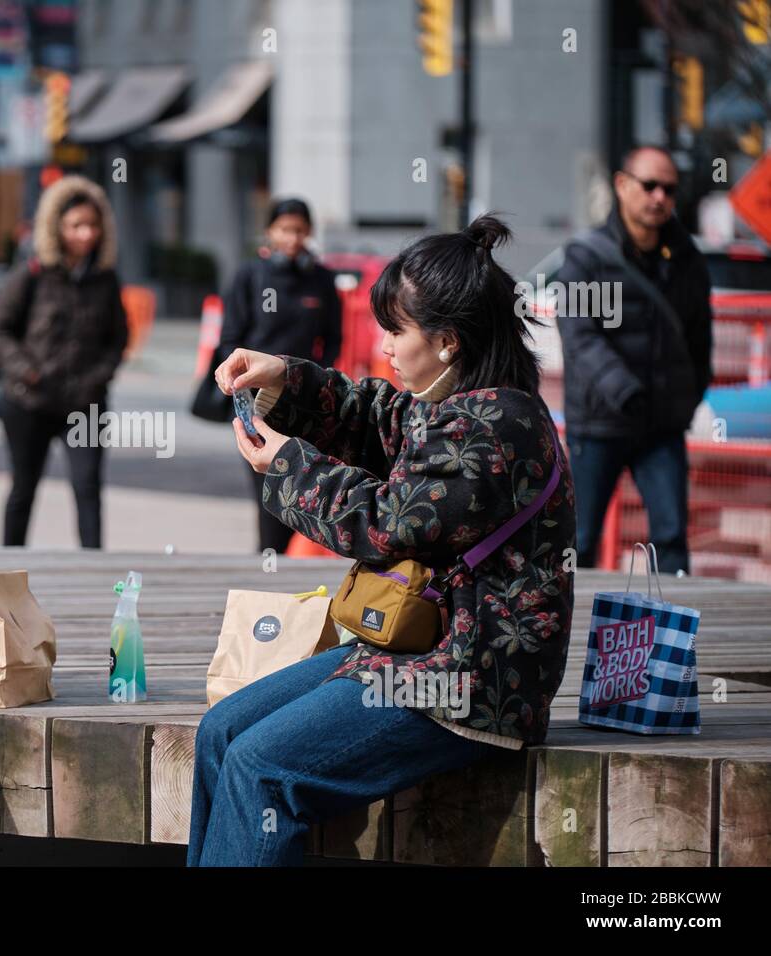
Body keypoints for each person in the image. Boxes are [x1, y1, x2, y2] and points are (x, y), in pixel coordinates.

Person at [187, 215, 576, 866]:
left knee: (262, 770)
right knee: (220, 732)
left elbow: (388, 522)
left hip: (466, 682)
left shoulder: (495, 425)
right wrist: (282, 376)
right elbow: (377, 419)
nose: (385, 344)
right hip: (410, 653)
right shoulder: (460, 402)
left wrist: (286, 466)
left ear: (448, 341)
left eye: (396, 330)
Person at [557, 145, 713, 574]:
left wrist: (689, 397)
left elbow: (701, 340)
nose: (659, 197)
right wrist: (623, 390)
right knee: (579, 541)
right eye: (649, 185)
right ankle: (564, 633)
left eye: (669, 189)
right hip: (599, 424)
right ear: (622, 185)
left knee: (671, 541)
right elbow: (578, 334)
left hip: (661, 425)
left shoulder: (687, 259)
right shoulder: (586, 256)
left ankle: (673, 638)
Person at [0, 174, 128, 549]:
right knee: (23, 489)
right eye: (76, 225)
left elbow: (117, 341)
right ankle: (8, 567)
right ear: (56, 227)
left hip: (85, 404)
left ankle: (95, 569)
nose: (86, 234)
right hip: (29, 401)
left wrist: (97, 379)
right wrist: (27, 371)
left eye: (92, 225)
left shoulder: (106, 279)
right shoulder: (32, 274)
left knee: (88, 488)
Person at [216, 197, 343, 555]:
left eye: (300, 230)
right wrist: (239, 381)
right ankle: (269, 563)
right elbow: (229, 338)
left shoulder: (320, 279)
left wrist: (319, 379)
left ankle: (294, 563)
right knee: (269, 491)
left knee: (304, 488)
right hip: (256, 403)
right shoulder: (249, 275)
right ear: (270, 231)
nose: (292, 238)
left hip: (306, 400)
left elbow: (333, 338)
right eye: (285, 230)